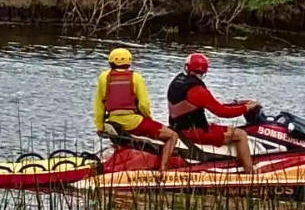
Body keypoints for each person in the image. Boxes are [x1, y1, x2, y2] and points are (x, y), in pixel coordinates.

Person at [166, 53, 260, 174]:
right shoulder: (198, 91)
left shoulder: (176, 82)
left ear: (187, 67)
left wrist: (238, 104)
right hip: (194, 133)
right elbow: (222, 112)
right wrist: (247, 108)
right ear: (205, 70)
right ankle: (250, 173)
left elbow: (215, 105)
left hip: (178, 128)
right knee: (241, 134)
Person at [94, 48, 178, 177]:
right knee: (172, 136)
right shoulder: (135, 77)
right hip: (133, 122)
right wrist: (148, 119)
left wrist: (100, 126)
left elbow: (99, 105)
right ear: (129, 62)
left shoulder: (103, 78)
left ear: (111, 62)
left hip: (112, 122)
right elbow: (144, 104)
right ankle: (163, 170)